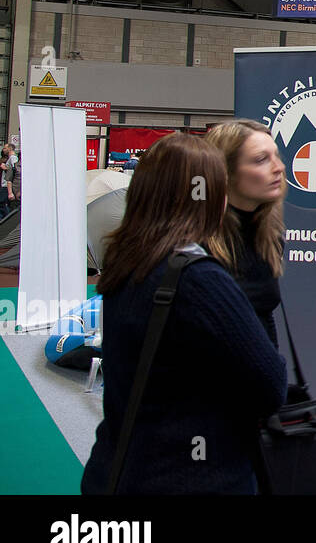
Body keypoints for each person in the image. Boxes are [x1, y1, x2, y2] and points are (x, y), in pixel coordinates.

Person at [81, 133, 286, 494]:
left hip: (117, 467)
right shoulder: (199, 279)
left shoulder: (126, 263)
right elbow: (270, 385)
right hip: (195, 478)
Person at [204, 121, 287, 346]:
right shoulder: (197, 247)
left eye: (276, 156)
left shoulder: (270, 236)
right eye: (261, 159)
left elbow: (263, 318)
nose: (278, 167)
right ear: (226, 172)